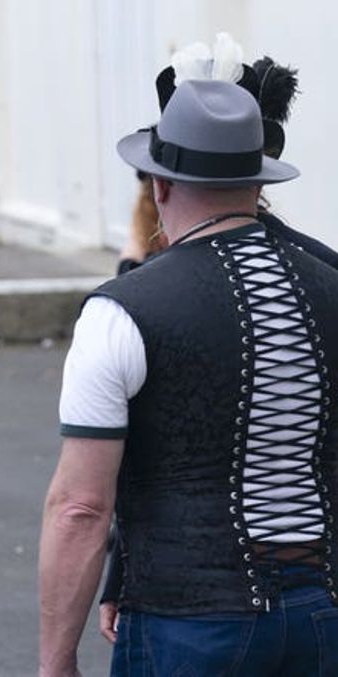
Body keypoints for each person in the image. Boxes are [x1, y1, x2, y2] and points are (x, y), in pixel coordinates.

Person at [39, 79, 338, 676]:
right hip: (323, 612)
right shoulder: (331, 287)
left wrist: (56, 660)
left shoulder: (121, 311)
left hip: (187, 624)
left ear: (160, 184)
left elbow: (79, 506)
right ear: (259, 180)